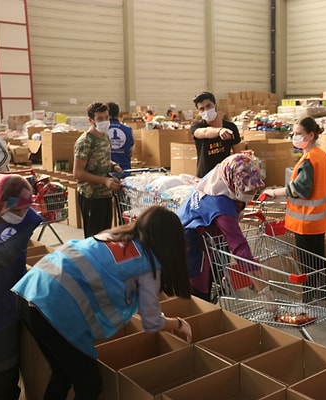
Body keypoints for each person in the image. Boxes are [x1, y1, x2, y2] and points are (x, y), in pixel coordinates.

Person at [12, 206, 192, 400]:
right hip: (54, 309)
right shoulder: (148, 266)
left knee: (63, 374)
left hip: (30, 291)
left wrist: (159, 315)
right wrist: (179, 324)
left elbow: (139, 301)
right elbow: (152, 322)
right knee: (89, 385)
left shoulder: (114, 236)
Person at [262, 116, 326, 301]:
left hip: (306, 221)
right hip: (318, 220)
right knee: (318, 258)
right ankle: (324, 294)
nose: (295, 137)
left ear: (311, 135)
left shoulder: (309, 159)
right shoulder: (321, 156)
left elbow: (300, 189)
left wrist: (275, 192)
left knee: (307, 262)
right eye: (294, 133)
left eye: (299, 134)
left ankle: (308, 298)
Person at [178, 152, 272, 303]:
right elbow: (240, 247)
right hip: (192, 240)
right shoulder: (220, 207)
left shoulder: (223, 173)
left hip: (206, 234)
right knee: (199, 291)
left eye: (255, 189)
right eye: (247, 190)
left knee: (213, 275)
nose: (252, 194)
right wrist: (263, 290)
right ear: (234, 182)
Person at [0, 174, 43, 399]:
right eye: (15, 211)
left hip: (5, 299)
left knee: (5, 365)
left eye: (24, 210)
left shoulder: (26, 222)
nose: (21, 215)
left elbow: (5, 254)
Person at [73, 102, 123, 238]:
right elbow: (77, 173)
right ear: (91, 120)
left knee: (105, 236)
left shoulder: (104, 136)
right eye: (100, 119)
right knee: (94, 238)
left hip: (105, 195)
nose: (105, 121)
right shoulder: (85, 142)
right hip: (92, 197)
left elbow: (100, 158)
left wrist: (113, 165)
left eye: (106, 117)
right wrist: (104, 180)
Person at [190, 91, 242, 178]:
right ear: (198, 111)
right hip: (204, 178)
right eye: (202, 109)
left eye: (208, 106)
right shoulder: (197, 126)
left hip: (224, 177)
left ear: (215, 105)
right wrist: (219, 131)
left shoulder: (231, 127)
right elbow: (205, 132)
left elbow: (238, 155)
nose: (206, 111)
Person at [107, 101, 134, 171]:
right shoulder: (128, 129)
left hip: (106, 172)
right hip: (125, 169)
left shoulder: (101, 129)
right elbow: (131, 151)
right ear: (118, 113)